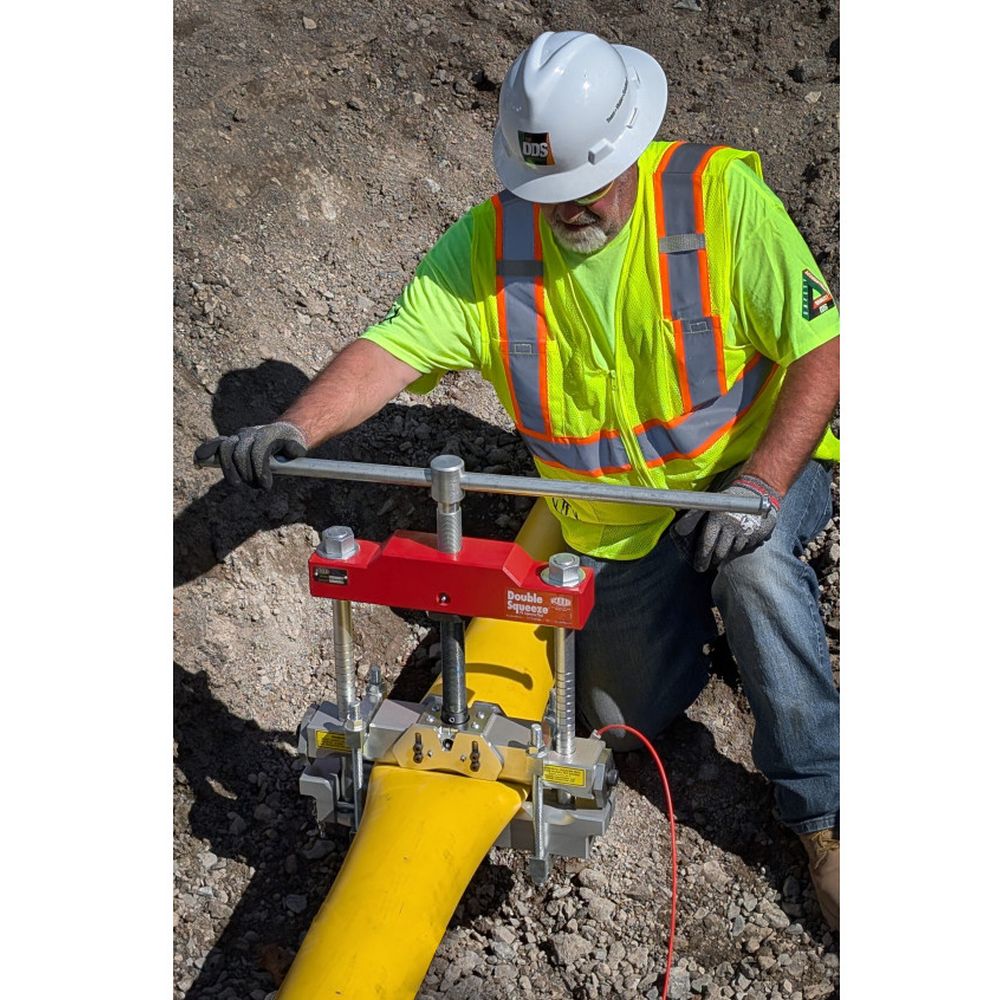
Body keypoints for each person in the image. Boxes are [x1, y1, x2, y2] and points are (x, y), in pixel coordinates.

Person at [195, 31, 841, 930]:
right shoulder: (492, 243)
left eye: (585, 186)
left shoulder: (716, 201)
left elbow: (823, 349)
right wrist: (296, 426)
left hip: (742, 477)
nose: (565, 208)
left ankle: (823, 813)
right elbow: (393, 346)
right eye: (547, 191)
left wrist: (763, 485)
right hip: (611, 523)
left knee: (754, 568)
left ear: (628, 150)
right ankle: (704, 623)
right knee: (620, 717)